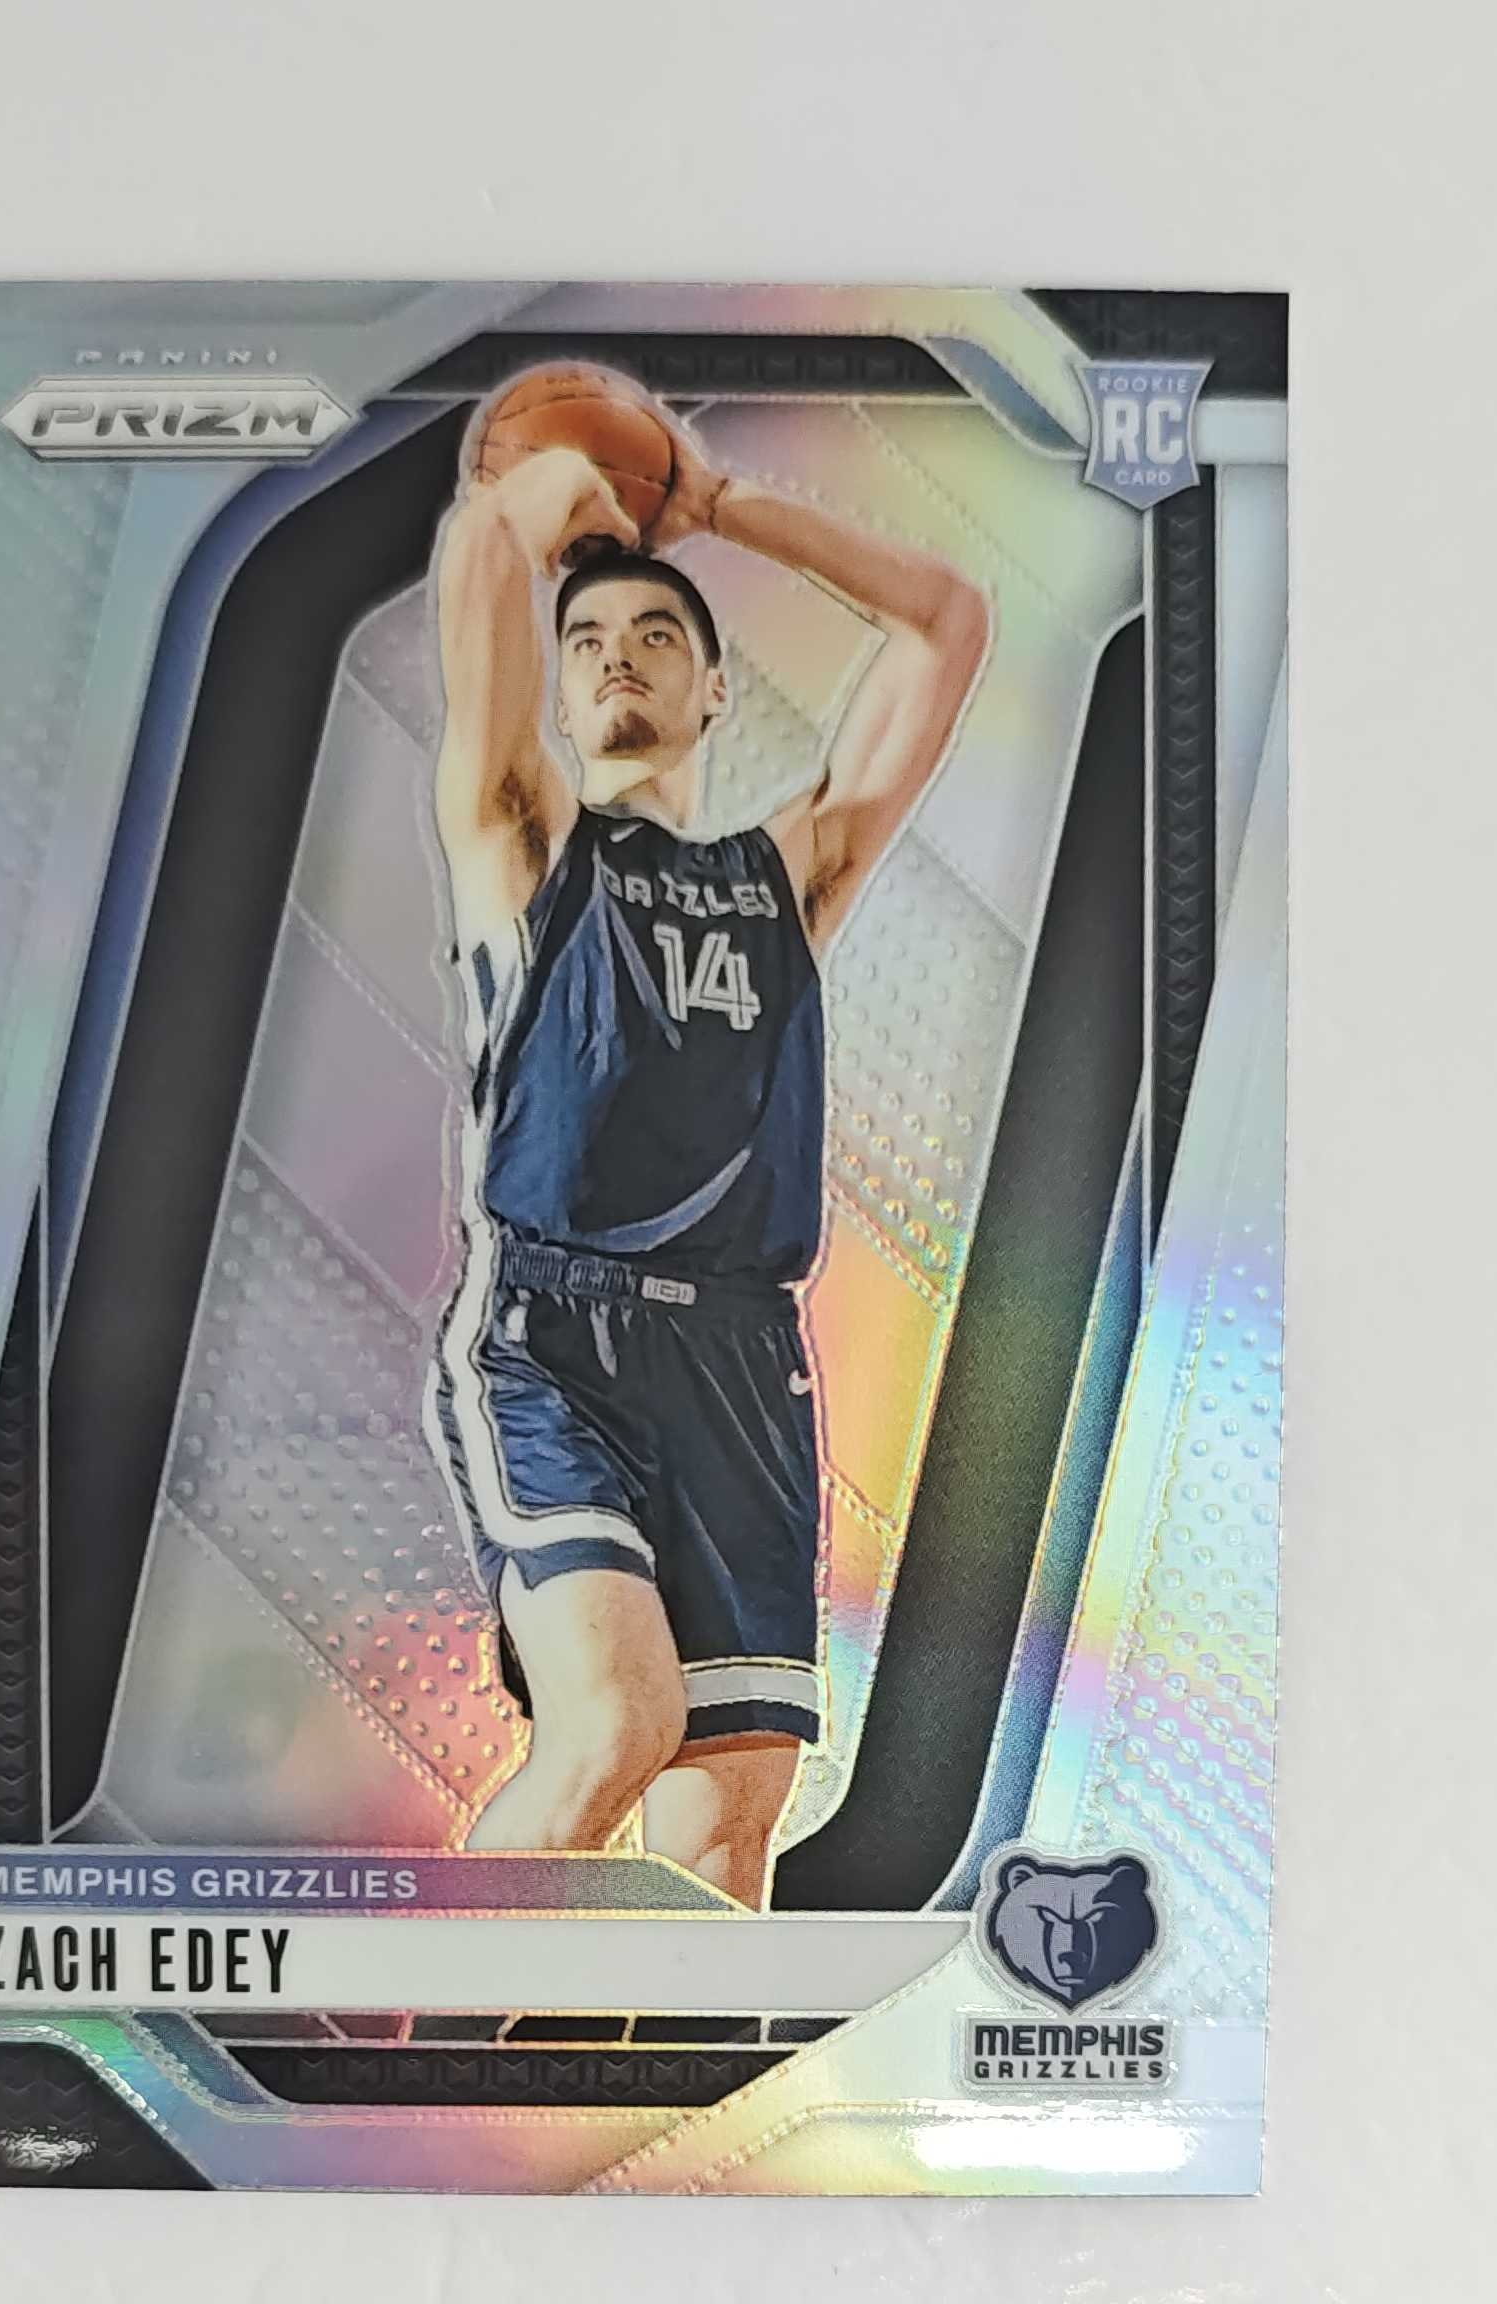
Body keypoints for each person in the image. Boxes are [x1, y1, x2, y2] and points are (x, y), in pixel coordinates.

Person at [422, 389, 988, 1907]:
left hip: (741, 1357)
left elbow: (945, 620)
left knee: (730, 1828)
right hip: (554, 1333)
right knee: (615, 1726)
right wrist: (542, 487)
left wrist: (720, 503)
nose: (619, 654)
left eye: (659, 635)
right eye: (589, 641)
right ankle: (420, 2039)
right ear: (559, 693)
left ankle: (630, 2070)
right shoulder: (522, 839)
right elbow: (482, 561)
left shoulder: (785, 874)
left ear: (716, 689)